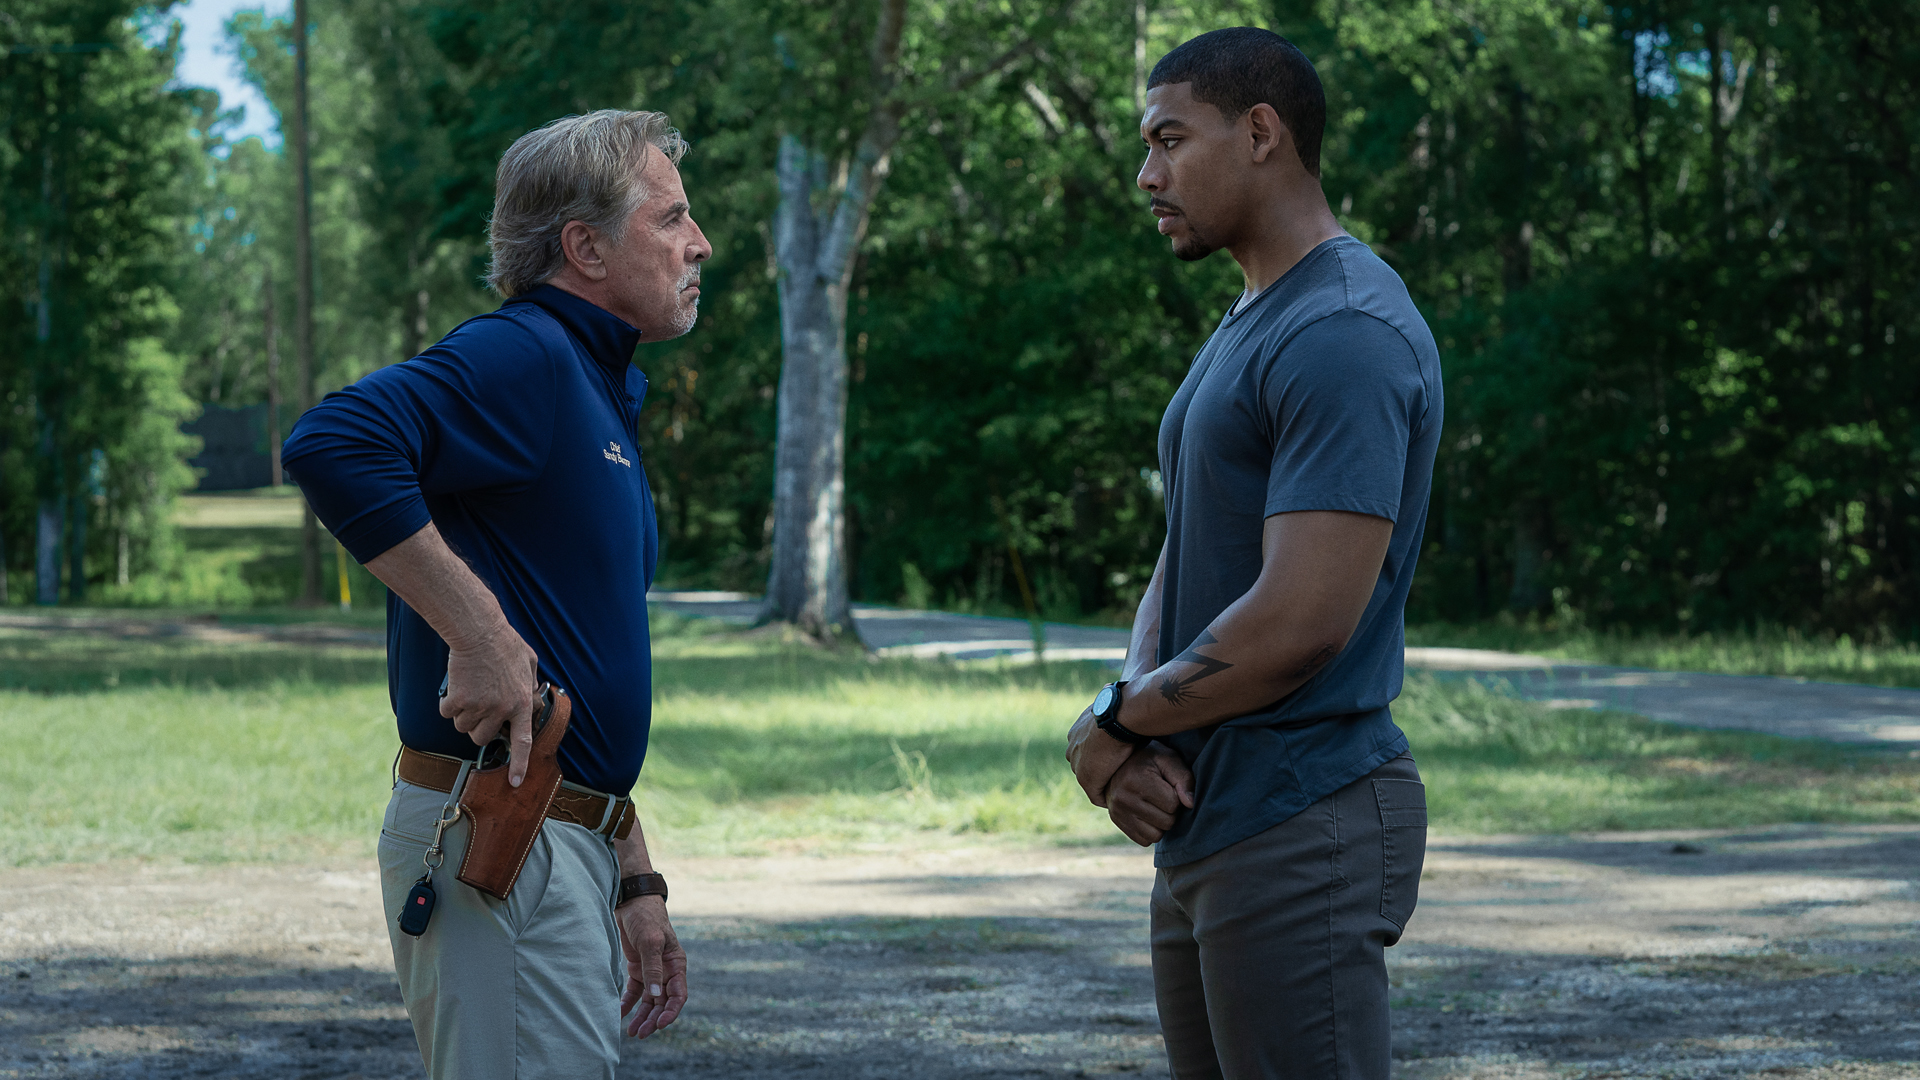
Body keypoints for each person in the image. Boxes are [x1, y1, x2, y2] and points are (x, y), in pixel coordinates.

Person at [281, 109, 711, 1079]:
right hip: (505, 843)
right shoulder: (527, 353)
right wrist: (475, 632)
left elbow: (574, 659)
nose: (700, 242)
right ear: (584, 247)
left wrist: (633, 869)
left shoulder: (592, 388)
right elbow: (332, 443)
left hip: (564, 836)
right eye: (672, 217)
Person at [1063, 28, 1443, 1080]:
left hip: (1299, 817)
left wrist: (1113, 723)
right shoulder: (1254, 316)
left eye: (1170, 140)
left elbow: (1301, 619)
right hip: (1212, 815)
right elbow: (1188, 545)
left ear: (1262, 133)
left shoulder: (1345, 329)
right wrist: (1130, 722)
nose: (1148, 174)